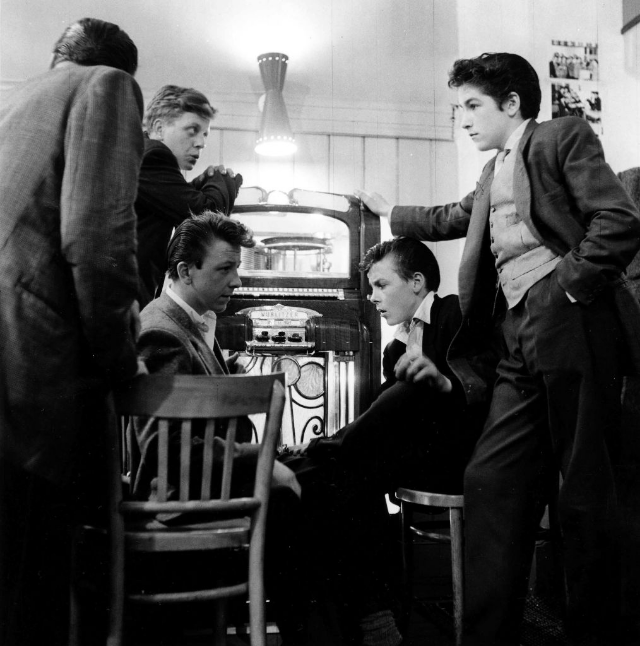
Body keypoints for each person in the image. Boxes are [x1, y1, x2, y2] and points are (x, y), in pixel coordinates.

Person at [356, 52, 640, 646]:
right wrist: (391, 214)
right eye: (458, 107)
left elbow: (617, 218)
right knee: (491, 478)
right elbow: (454, 216)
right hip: (514, 331)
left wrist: (566, 287)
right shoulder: (490, 174)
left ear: (512, 104)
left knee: (586, 492)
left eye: (472, 106)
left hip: (569, 319)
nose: (461, 118)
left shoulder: (562, 135)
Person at [0, 17, 144, 646]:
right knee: (35, 581)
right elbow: (97, 239)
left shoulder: (11, 101)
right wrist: (120, 361)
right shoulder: (108, 86)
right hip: (31, 362)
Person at [287, 236, 490, 646]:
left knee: (405, 390)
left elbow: (487, 379)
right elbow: (382, 416)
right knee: (343, 481)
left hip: (461, 455)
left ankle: (318, 451)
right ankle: (375, 618)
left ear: (417, 282)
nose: (372, 295)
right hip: (413, 455)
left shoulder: (454, 313)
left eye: (381, 285)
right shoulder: (396, 344)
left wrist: (441, 382)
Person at [135, 210, 308, 645]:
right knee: (307, 502)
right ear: (184, 271)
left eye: (238, 268)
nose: (236, 281)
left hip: (209, 489)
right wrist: (264, 464)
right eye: (225, 269)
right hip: (183, 507)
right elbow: (169, 449)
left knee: (333, 480)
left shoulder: (189, 322)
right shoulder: (163, 332)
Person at [136, 84, 243, 306]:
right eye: (192, 130)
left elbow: (178, 202)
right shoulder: (153, 156)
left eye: (205, 134)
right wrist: (223, 179)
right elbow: (208, 216)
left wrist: (201, 182)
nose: (201, 143)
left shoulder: (143, 156)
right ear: (158, 128)